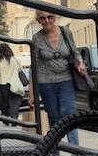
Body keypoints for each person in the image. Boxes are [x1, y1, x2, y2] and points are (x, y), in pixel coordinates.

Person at [31, 10, 86, 144]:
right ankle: (55, 151)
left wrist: (81, 63)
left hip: (66, 79)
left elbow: (75, 52)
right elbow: (34, 67)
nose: (47, 21)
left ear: (55, 17)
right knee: (54, 117)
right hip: (46, 82)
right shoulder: (36, 38)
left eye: (50, 17)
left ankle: (75, 150)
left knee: (69, 115)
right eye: (42, 18)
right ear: (38, 20)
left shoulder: (66, 32)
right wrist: (31, 94)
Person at [0, 43, 25, 123]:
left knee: (4, 102)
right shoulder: (15, 59)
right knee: (14, 101)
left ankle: (6, 118)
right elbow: (20, 70)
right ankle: (14, 117)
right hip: (14, 83)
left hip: (3, 84)